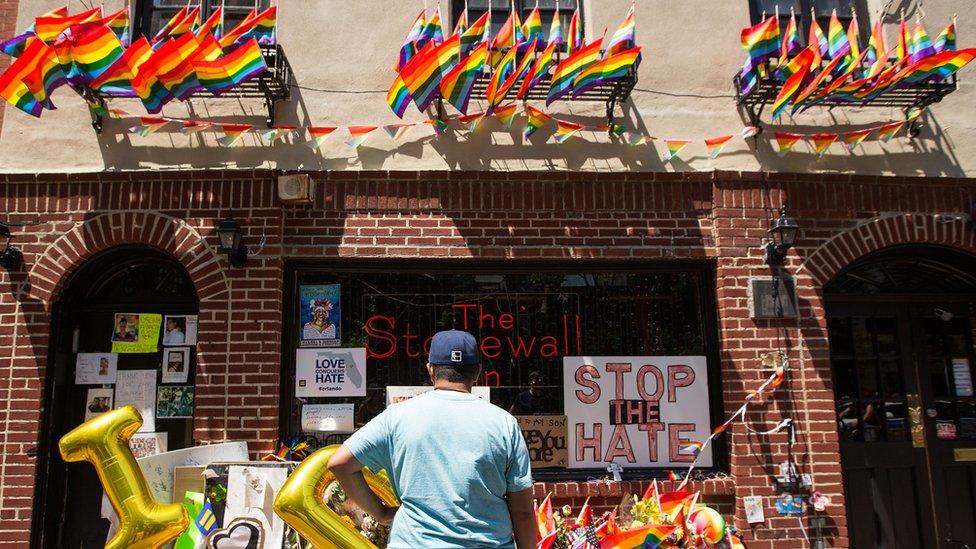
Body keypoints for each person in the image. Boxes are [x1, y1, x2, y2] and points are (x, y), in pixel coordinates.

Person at [328, 330, 536, 549]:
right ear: (477, 372)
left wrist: (380, 513)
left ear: (430, 370)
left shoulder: (396, 417)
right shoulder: (504, 423)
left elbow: (340, 463)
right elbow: (522, 511)